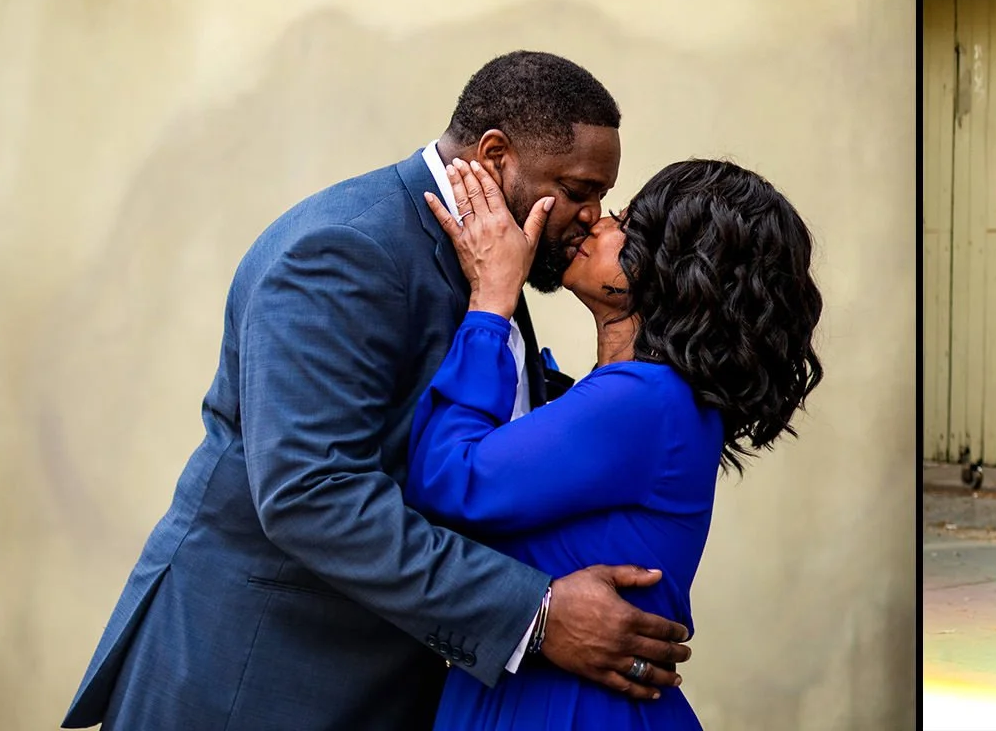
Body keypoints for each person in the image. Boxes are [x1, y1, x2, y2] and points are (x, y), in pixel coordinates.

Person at [64, 52, 693, 731]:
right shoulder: (345, 250)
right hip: (258, 680)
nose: (591, 216)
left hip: (385, 679)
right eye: (576, 188)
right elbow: (311, 493)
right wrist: (535, 614)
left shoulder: (494, 259)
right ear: (495, 155)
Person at [406, 154, 824, 729]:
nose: (597, 224)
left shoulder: (644, 401)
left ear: (676, 269)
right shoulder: (653, 401)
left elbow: (448, 481)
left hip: (566, 710)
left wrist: (490, 302)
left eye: (625, 223)